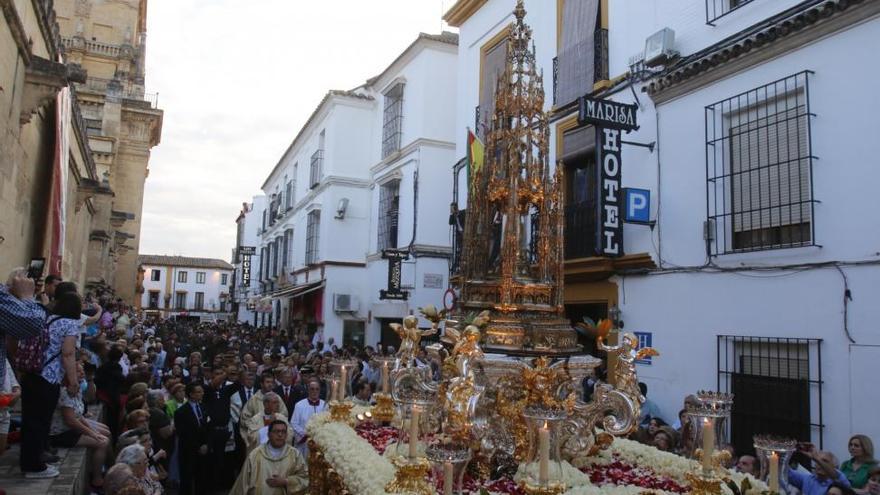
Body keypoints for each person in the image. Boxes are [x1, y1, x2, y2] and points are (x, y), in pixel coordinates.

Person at [19, 289, 80, 478]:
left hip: (31, 374)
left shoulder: (47, 318)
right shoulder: (70, 324)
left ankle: (30, 461)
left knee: (30, 421)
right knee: (40, 422)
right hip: (48, 377)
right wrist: (73, 381)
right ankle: (34, 466)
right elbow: (68, 354)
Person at [49, 362, 111, 490]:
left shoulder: (75, 388)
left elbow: (79, 415)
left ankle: (103, 465)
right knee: (103, 442)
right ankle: (97, 479)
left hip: (70, 428)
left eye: (82, 371)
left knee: (105, 433)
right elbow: (71, 420)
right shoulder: (64, 392)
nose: (82, 373)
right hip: (61, 433)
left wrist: (92, 430)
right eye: (78, 371)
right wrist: (92, 433)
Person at [238, 420, 308, 495]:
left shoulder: (295, 455)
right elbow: (242, 484)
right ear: (268, 434)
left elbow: (305, 479)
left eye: (283, 431)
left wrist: (286, 481)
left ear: (286, 435)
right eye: (276, 431)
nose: (280, 434)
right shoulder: (255, 455)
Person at [174, 383, 209, 495]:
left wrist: (206, 444)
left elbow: (208, 428)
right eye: (199, 392)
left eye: (202, 391)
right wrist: (197, 446)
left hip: (203, 449)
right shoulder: (181, 412)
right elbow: (183, 434)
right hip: (188, 451)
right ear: (191, 394)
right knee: (187, 480)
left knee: (202, 478)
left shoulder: (203, 407)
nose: (202, 393)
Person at [787, 444, 851, 495]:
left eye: (824, 461)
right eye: (817, 462)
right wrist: (789, 450)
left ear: (834, 466)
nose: (819, 464)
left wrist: (816, 459)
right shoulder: (808, 478)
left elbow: (837, 476)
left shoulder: (839, 482)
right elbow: (784, 472)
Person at [291, 378, 327, 459]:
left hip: (320, 442)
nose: (314, 391)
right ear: (308, 390)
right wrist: (306, 434)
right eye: (312, 389)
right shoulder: (299, 405)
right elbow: (293, 423)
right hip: (304, 443)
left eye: (317, 389)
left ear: (320, 390)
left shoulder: (325, 405)